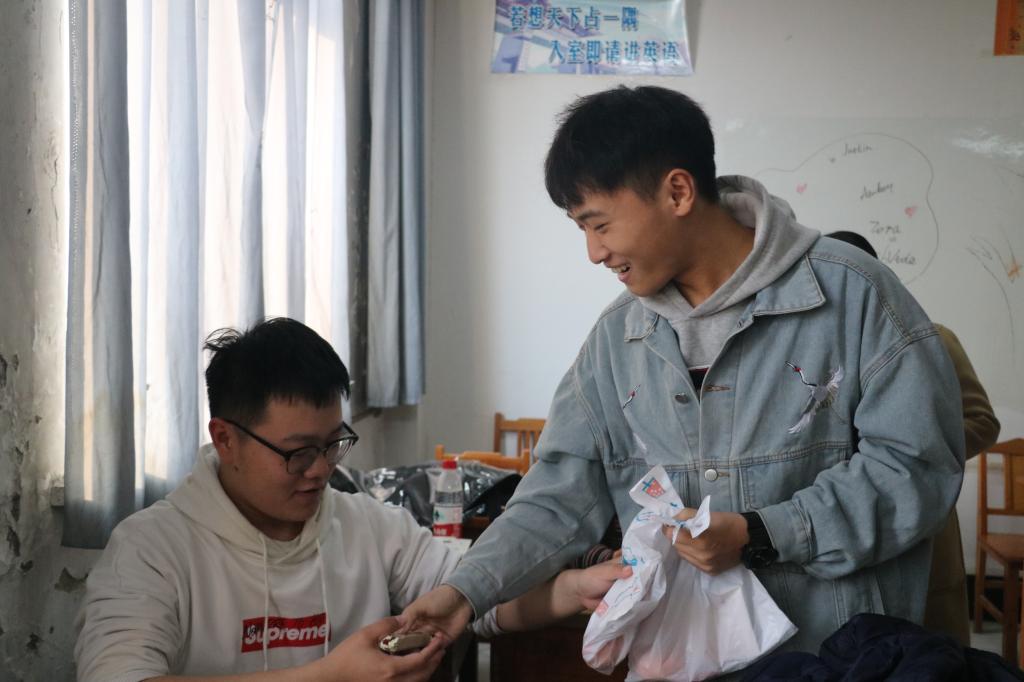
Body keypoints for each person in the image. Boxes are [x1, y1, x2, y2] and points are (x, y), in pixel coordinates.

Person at [401, 85, 967, 673]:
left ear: (677, 191)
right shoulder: (616, 340)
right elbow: (555, 495)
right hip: (680, 663)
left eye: (600, 224)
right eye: (581, 230)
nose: (594, 253)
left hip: (838, 659)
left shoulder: (855, 295)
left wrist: (762, 533)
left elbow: (917, 469)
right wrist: (463, 592)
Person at [74, 318, 627, 682]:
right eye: (297, 452)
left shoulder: (369, 527)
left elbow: (474, 597)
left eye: (333, 443)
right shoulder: (153, 550)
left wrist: (571, 590)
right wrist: (327, 676)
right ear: (225, 439)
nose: (321, 470)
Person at [827, 230, 1001, 645]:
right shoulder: (818, 354)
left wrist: (914, 446)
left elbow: (983, 422)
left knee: (931, 650)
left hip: (922, 524)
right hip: (844, 529)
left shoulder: (933, 339)